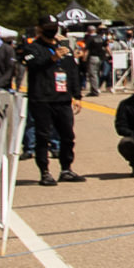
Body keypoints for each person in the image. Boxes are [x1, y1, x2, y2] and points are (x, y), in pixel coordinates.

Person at [15, 16, 83, 186]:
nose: (51, 29)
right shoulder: (32, 48)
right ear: (39, 28)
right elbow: (33, 65)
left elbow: (72, 73)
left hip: (62, 99)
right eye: (48, 26)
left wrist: (77, 96)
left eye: (54, 26)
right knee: (42, 136)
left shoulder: (63, 48)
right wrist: (52, 58)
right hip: (42, 99)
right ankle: (44, 172)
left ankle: (66, 169)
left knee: (67, 136)